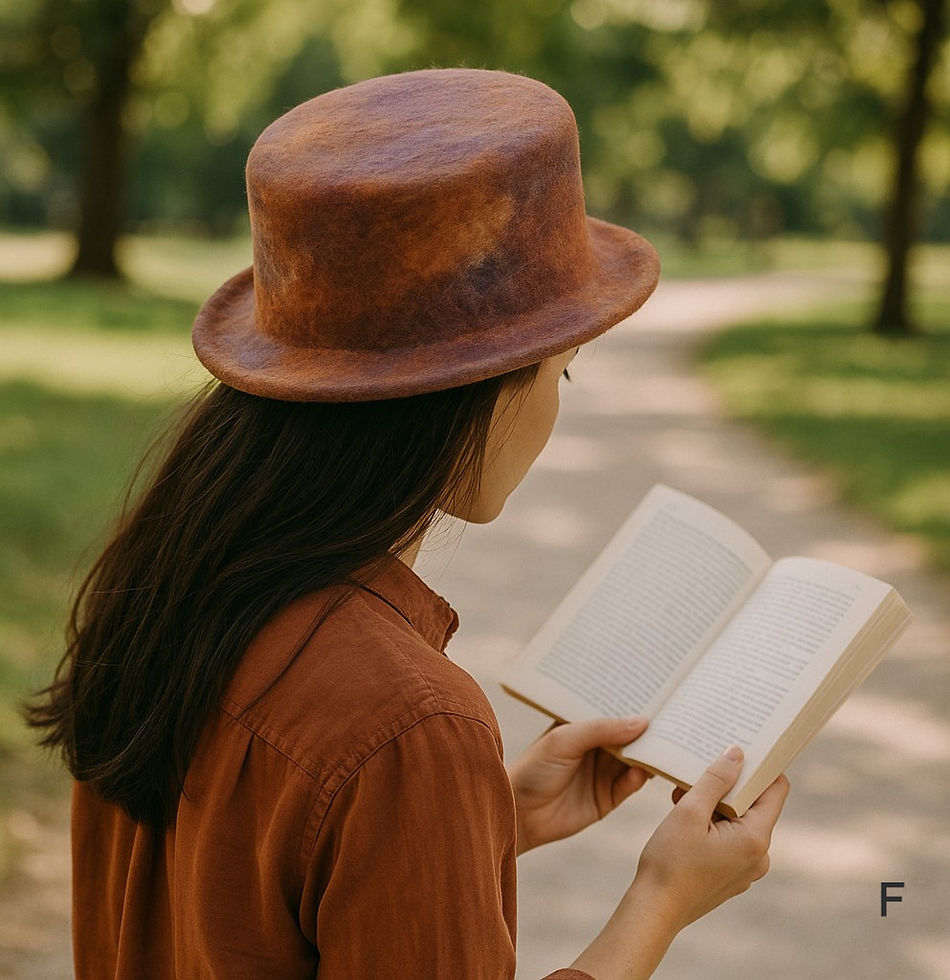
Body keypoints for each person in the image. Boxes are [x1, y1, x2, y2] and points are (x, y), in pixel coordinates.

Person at [29, 68, 789, 979]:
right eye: (563, 371)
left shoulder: (166, 587)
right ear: (475, 389)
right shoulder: (405, 723)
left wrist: (486, 821)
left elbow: (242, 888)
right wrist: (661, 901)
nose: (557, 403)